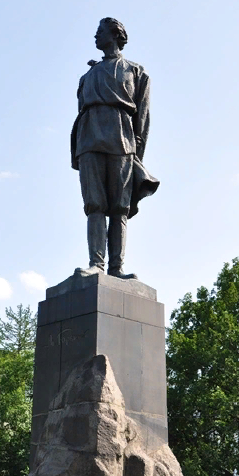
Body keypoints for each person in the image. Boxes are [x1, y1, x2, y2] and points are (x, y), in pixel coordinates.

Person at [71, 17, 159, 280]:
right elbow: (80, 111)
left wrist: (137, 158)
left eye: (99, 31)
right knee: (94, 204)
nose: (95, 36)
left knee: (119, 207)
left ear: (114, 34)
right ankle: (96, 263)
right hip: (89, 140)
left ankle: (116, 268)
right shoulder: (87, 76)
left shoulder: (136, 72)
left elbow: (142, 118)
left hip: (122, 141)